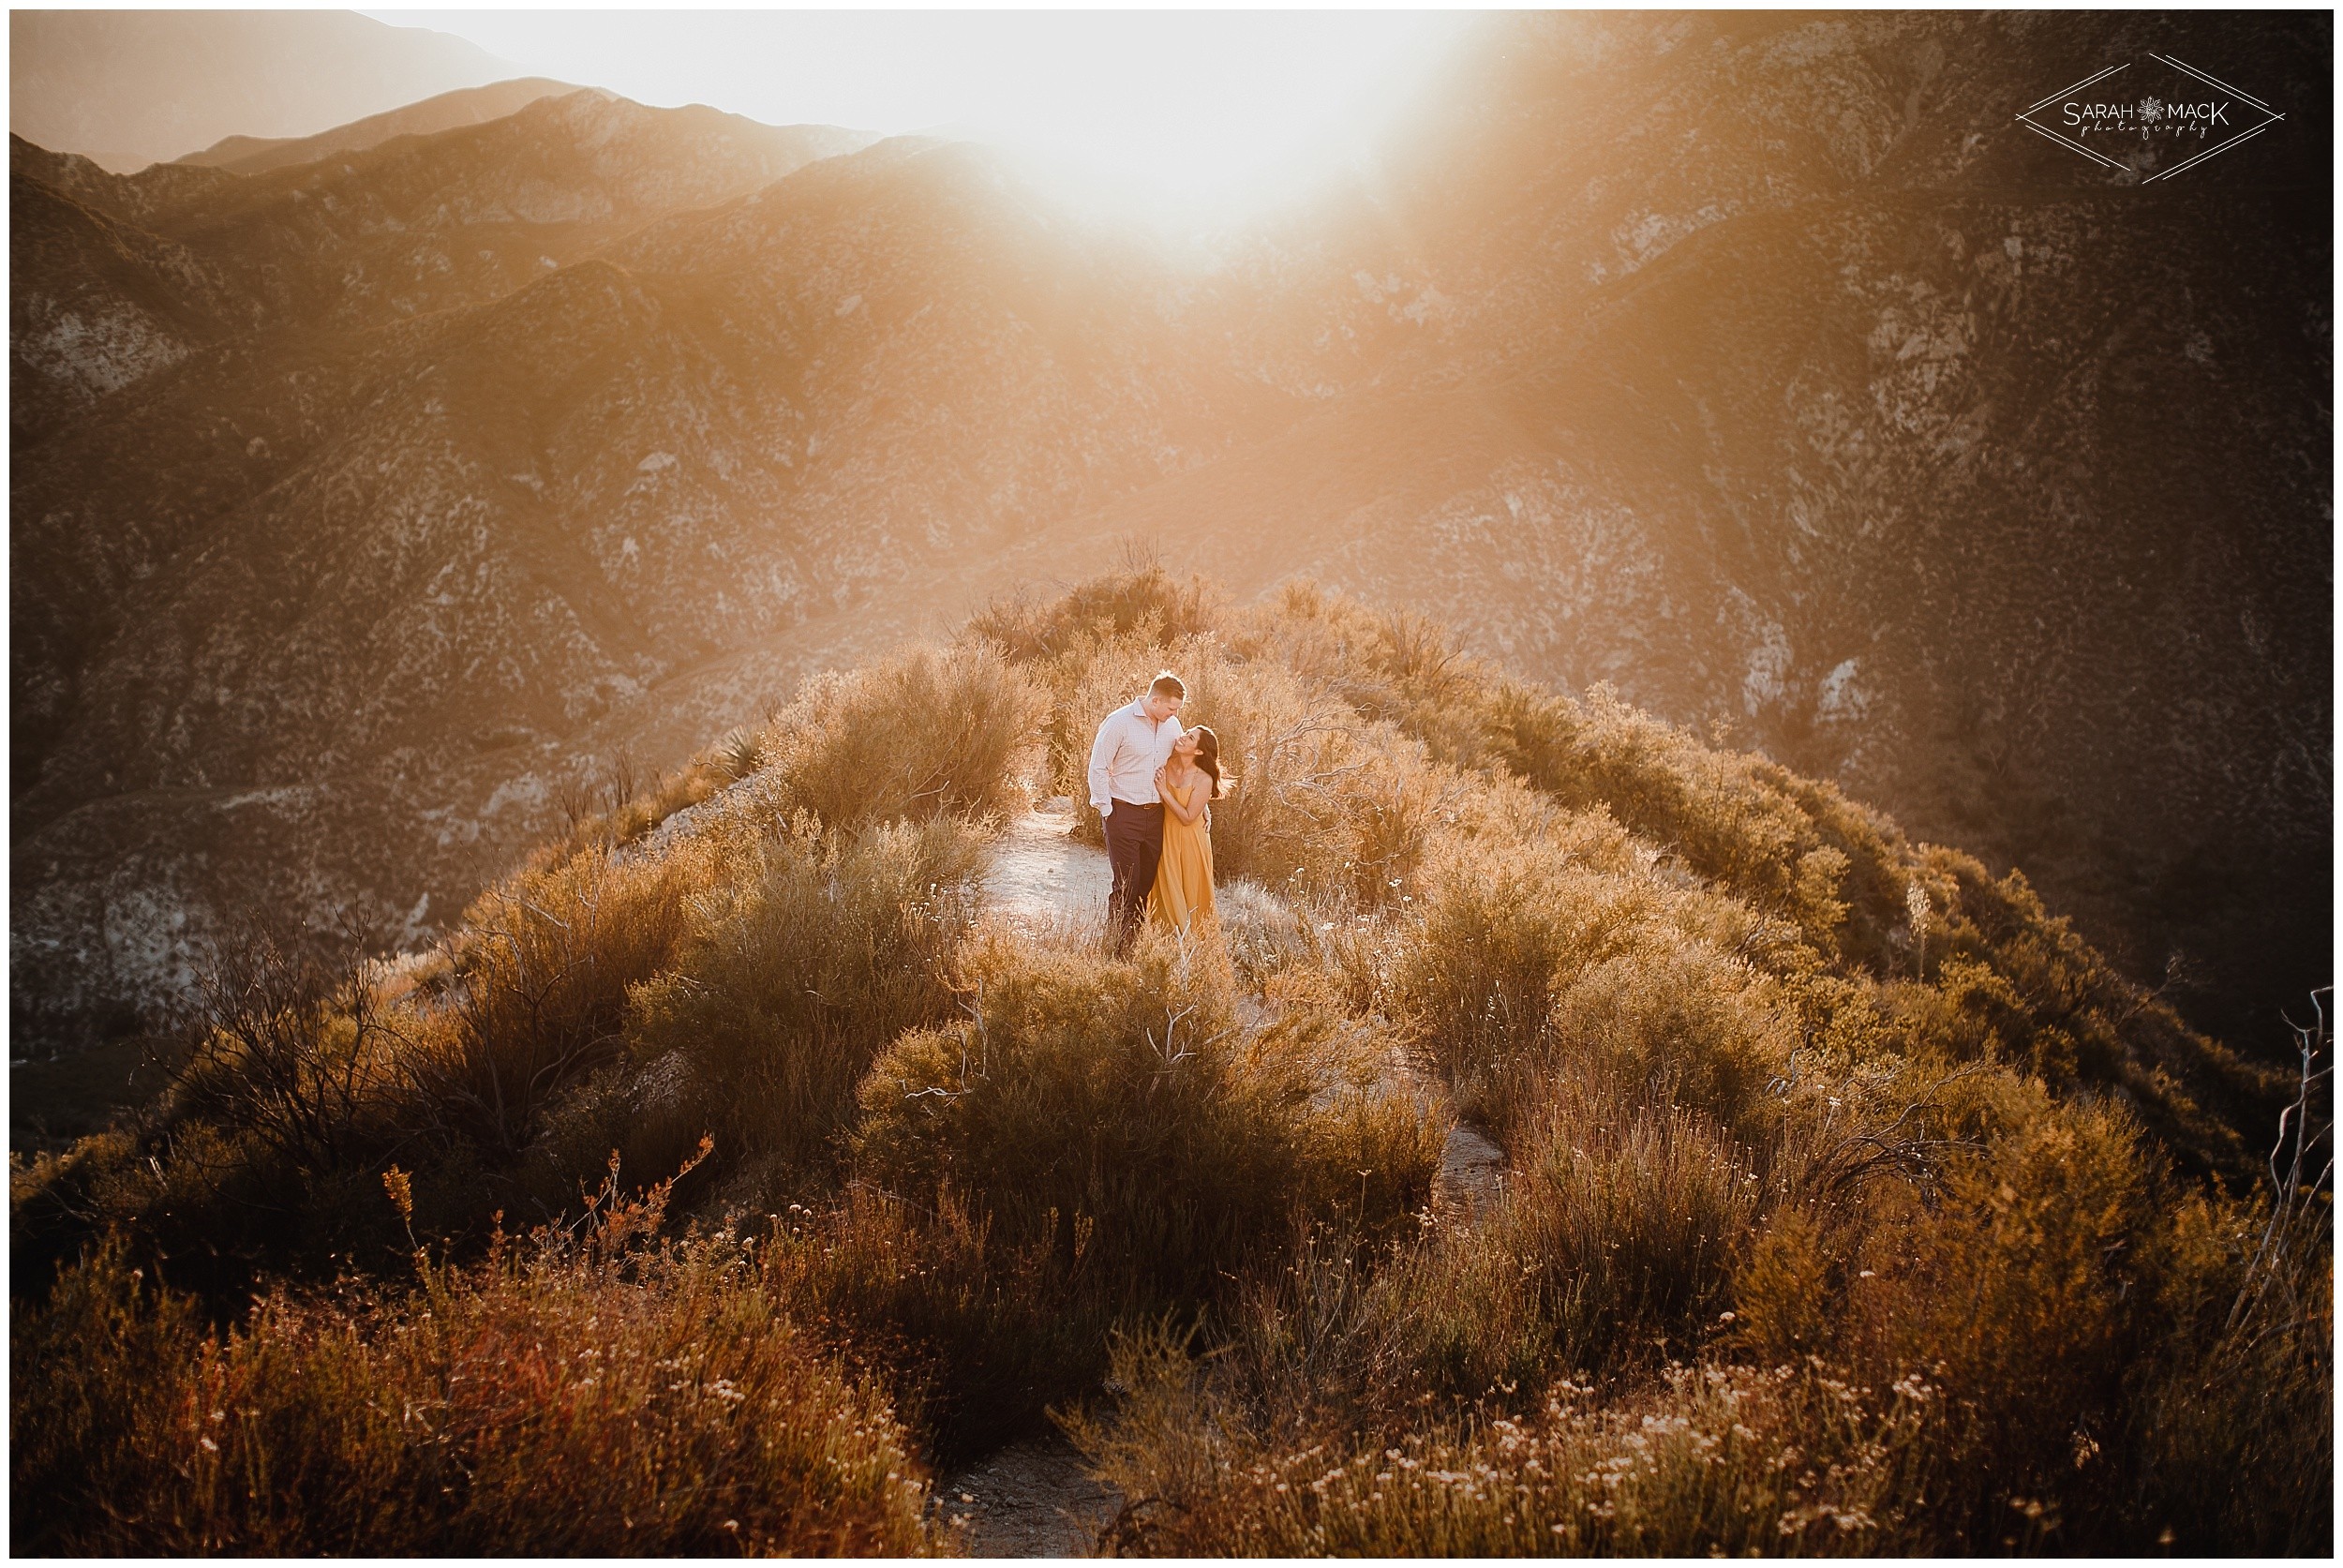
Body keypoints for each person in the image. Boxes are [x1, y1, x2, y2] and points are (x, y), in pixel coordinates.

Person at [1087, 672, 1185, 948]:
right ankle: (1115, 945)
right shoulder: (1119, 722)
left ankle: (1135, 943)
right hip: (1123, 813)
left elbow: (1181, 766)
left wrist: (1200, 806)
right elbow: (1098, 766)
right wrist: (1106, 810)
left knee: (1146, 885)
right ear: (1155, 700)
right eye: (1171, 708)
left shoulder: (1172, 725)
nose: (1174, 714)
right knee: (1126, 885)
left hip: (1156, 816)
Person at [1149, 724, 1224, 937]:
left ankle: (1194, 950)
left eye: (1189, 738)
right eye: (1185, 733)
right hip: (1165, 836)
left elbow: (1188, 818)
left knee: (1191, 894)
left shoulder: (1203, 779)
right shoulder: (1167, 761)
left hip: (1192, 840)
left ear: (1198, 751)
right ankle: (1165, 946)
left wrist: (1164, 792)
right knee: (1166, 890)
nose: (1182, 737)